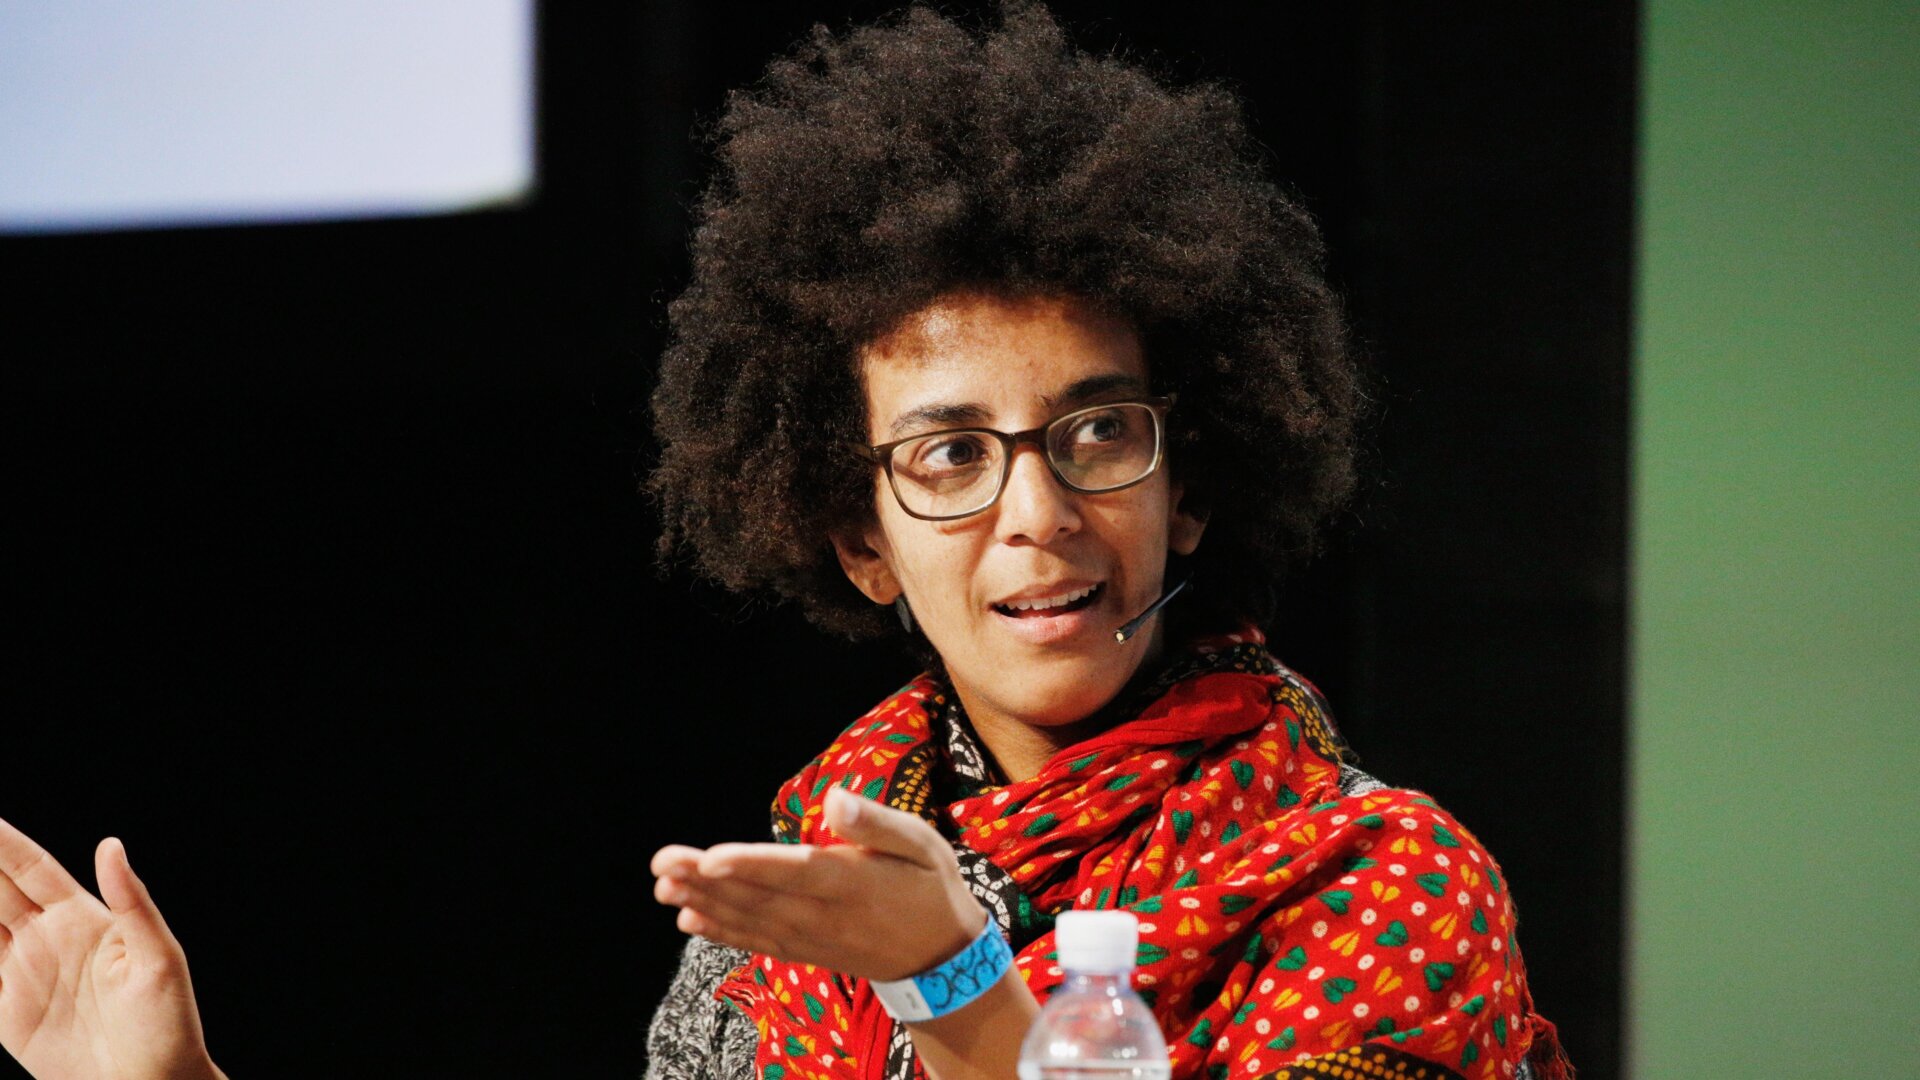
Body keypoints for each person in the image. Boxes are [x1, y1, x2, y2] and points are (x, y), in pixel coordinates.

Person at [0, 6, 1569, 1080]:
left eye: (1098, 432)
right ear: (859, 536)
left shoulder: (1380, 881)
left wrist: (962, 989)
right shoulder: (800, 905)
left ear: (1193, 482)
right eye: (950, 455)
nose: (1039, 513)